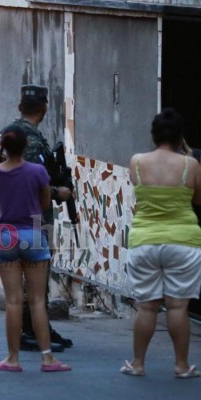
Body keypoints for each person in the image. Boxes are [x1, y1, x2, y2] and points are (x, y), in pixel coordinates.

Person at [122, 108, 201, 378]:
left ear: (153, 135)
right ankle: (181, 366)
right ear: (180, 136)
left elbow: (141, 194)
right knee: (178, 307)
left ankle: (138, 364)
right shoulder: (191, 165)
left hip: (145, 239)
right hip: (183, 240)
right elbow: (198, 199)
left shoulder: (137, 162)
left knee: (147, 306)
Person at [0, 124, 70, 372]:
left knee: (13, 301)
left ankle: (12, 358)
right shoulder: (37, 172)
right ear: (25, 147)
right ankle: (47, 358)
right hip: (32, 234)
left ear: (2, 148)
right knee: (36, 301)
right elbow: (44, 202)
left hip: (5, 236)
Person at [0, 84, 73, 352]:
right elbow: (24, 180)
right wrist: (56, 191)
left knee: (33, 275)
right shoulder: (25, 137)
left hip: (15, 217)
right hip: (34, 217)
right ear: (45, 108)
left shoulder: (11, 133)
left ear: (20, 107)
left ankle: (38, 327)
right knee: (37, 273)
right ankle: (30, 329)